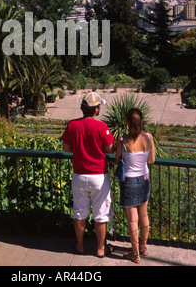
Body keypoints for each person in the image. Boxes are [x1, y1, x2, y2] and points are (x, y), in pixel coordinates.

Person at [62, 92, 115, 258]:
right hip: (99, 175)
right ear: (96, 110)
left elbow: (66, 148)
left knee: (79, 212)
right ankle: (100, 249)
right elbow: (110, 149)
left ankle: (80, 246)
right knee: (101, 214)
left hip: (79, 175)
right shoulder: (102, 127)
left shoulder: (72, 125)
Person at [115, 107, 155, 263]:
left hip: (129, 181)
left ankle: (135, 253)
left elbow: (118, 159)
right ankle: (143, 247)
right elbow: (151, 160)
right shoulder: (148, 138)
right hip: (144, 179)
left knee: (133, 220)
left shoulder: (122, 140)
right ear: (142, 122)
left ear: (127, 123)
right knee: (144, 216)